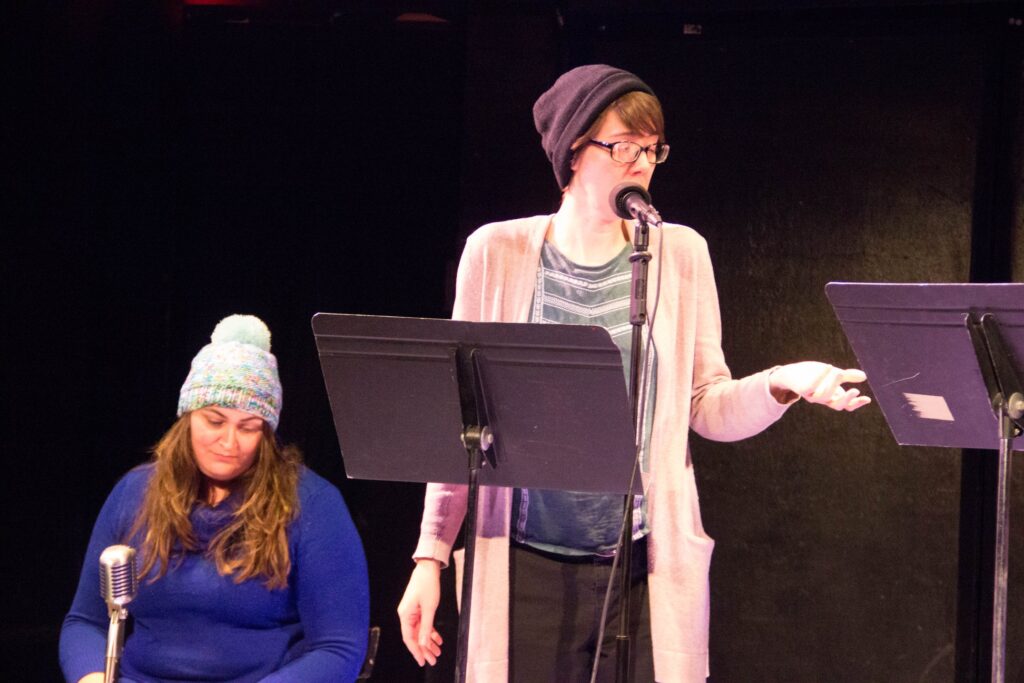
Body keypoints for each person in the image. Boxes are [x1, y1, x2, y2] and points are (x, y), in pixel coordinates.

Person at [397, 64, 871, 683]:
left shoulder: (680, 253)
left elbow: (706, 404)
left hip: (645, 564)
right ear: (573, 150)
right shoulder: (496, 253)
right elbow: (464, 419)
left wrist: (784, 381)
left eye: (652, 150)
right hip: (523, 562)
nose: (641, 163)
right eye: (624, 147)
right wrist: (430, 557)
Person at [60, 314, 369, 683]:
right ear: (188, 416)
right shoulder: (135, 492)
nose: (229, 442)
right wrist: (93, 677)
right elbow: (85, 622)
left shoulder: (313, 504)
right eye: (215, 421)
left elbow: (338, 649)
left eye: (248, 427)